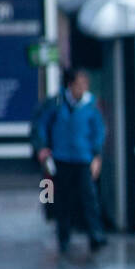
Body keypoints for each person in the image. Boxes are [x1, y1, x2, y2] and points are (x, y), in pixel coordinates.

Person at [34, 69, 108, 254]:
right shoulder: (56, 103)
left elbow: (98, 131)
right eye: (79, 84)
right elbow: (41, 125)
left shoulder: (91, 105)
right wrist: (43, 147)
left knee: (89, 198)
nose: (83, 88)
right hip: (61, 158)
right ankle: (63, 237)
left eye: (85, 85)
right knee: (63, 199)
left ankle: (95, 235)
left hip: (83, 158)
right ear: (70, 85)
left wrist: (96, 155)